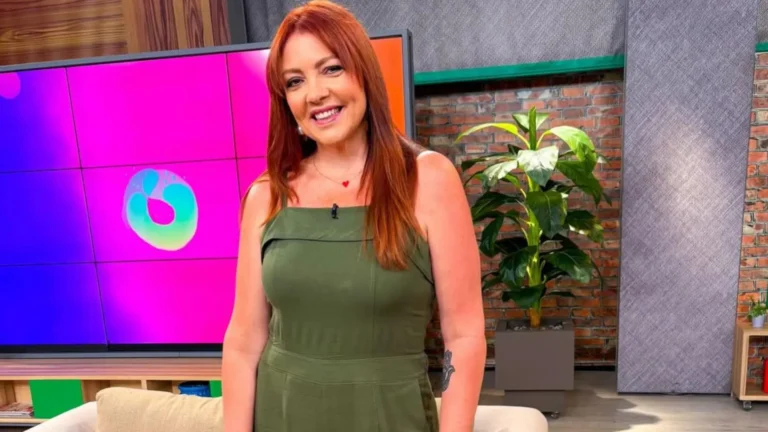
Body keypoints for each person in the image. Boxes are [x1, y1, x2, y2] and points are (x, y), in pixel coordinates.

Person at [221, 1, 486, 431]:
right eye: (295, 81)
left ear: (363, 71)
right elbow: (243, 340)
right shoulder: (266, 195)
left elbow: (465, 335)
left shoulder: (430, 180)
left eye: (331, 69)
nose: (315, 93)